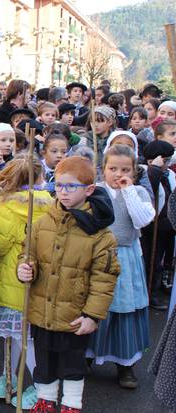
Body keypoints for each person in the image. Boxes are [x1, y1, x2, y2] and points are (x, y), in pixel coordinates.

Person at [17, 155, 120, 413]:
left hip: (74, 315)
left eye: (71, 186)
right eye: (59, 185)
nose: (63, 192)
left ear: (89, 190)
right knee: (44, 362)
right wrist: (25, 268)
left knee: (73, 366)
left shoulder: (100, 234)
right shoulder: (41, 223)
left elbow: (104, 278)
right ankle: (45, 401)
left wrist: (92, 315)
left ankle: (71, 405)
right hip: (42, 310)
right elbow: (28, 253)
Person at [84, 144, 154, 389]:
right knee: (94, 306)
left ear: (133, 171)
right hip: (97, 255)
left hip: (126, 256)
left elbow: (142, 220)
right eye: (112, 168)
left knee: (124, 309)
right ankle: (86, 358)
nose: (118, 173)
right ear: (103, 169)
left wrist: (128, 192)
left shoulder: (138, 193)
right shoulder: (95, 191)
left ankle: (126, 365)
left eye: (125, 169)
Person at [0, 157, 53, 410]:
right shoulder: (52, 204)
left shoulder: (8, 208)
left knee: (17, 338)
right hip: (39, 276)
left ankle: (37, 387)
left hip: (12, 279)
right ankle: (12, 377)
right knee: (26, 338)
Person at [141, 140, 176, 311]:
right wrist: (154, 169)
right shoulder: (146, 172)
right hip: (150, 227)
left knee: (160, 261)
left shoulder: (168, 174)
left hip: (166, 226)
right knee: (151, 261)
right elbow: (148, 192)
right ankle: (149, 293)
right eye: (166, 160)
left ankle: (156, 288)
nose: (168, 164)